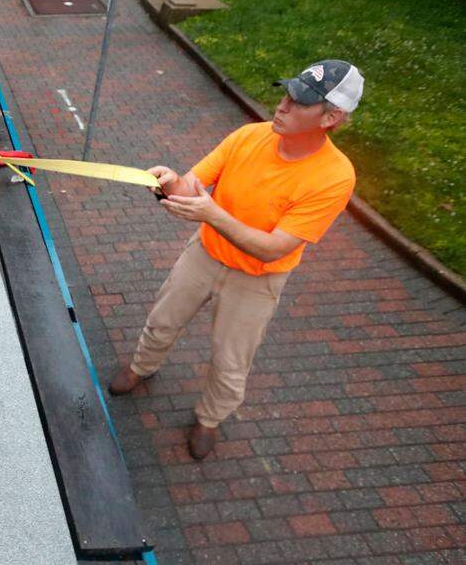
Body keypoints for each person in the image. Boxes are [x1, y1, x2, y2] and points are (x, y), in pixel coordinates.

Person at [108, 60, 364, 460]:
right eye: (287, 94)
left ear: (331, 117)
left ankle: (208, 420)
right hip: (205, 254)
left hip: (257, 281)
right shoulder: (249, 135)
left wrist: (210, 213)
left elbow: (273, 248)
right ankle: (141, 368)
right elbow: (190, 189)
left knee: (230, 361)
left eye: (299, 103)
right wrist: (167, 182)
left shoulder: (335, 176)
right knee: (162, 321)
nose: (282, 106)